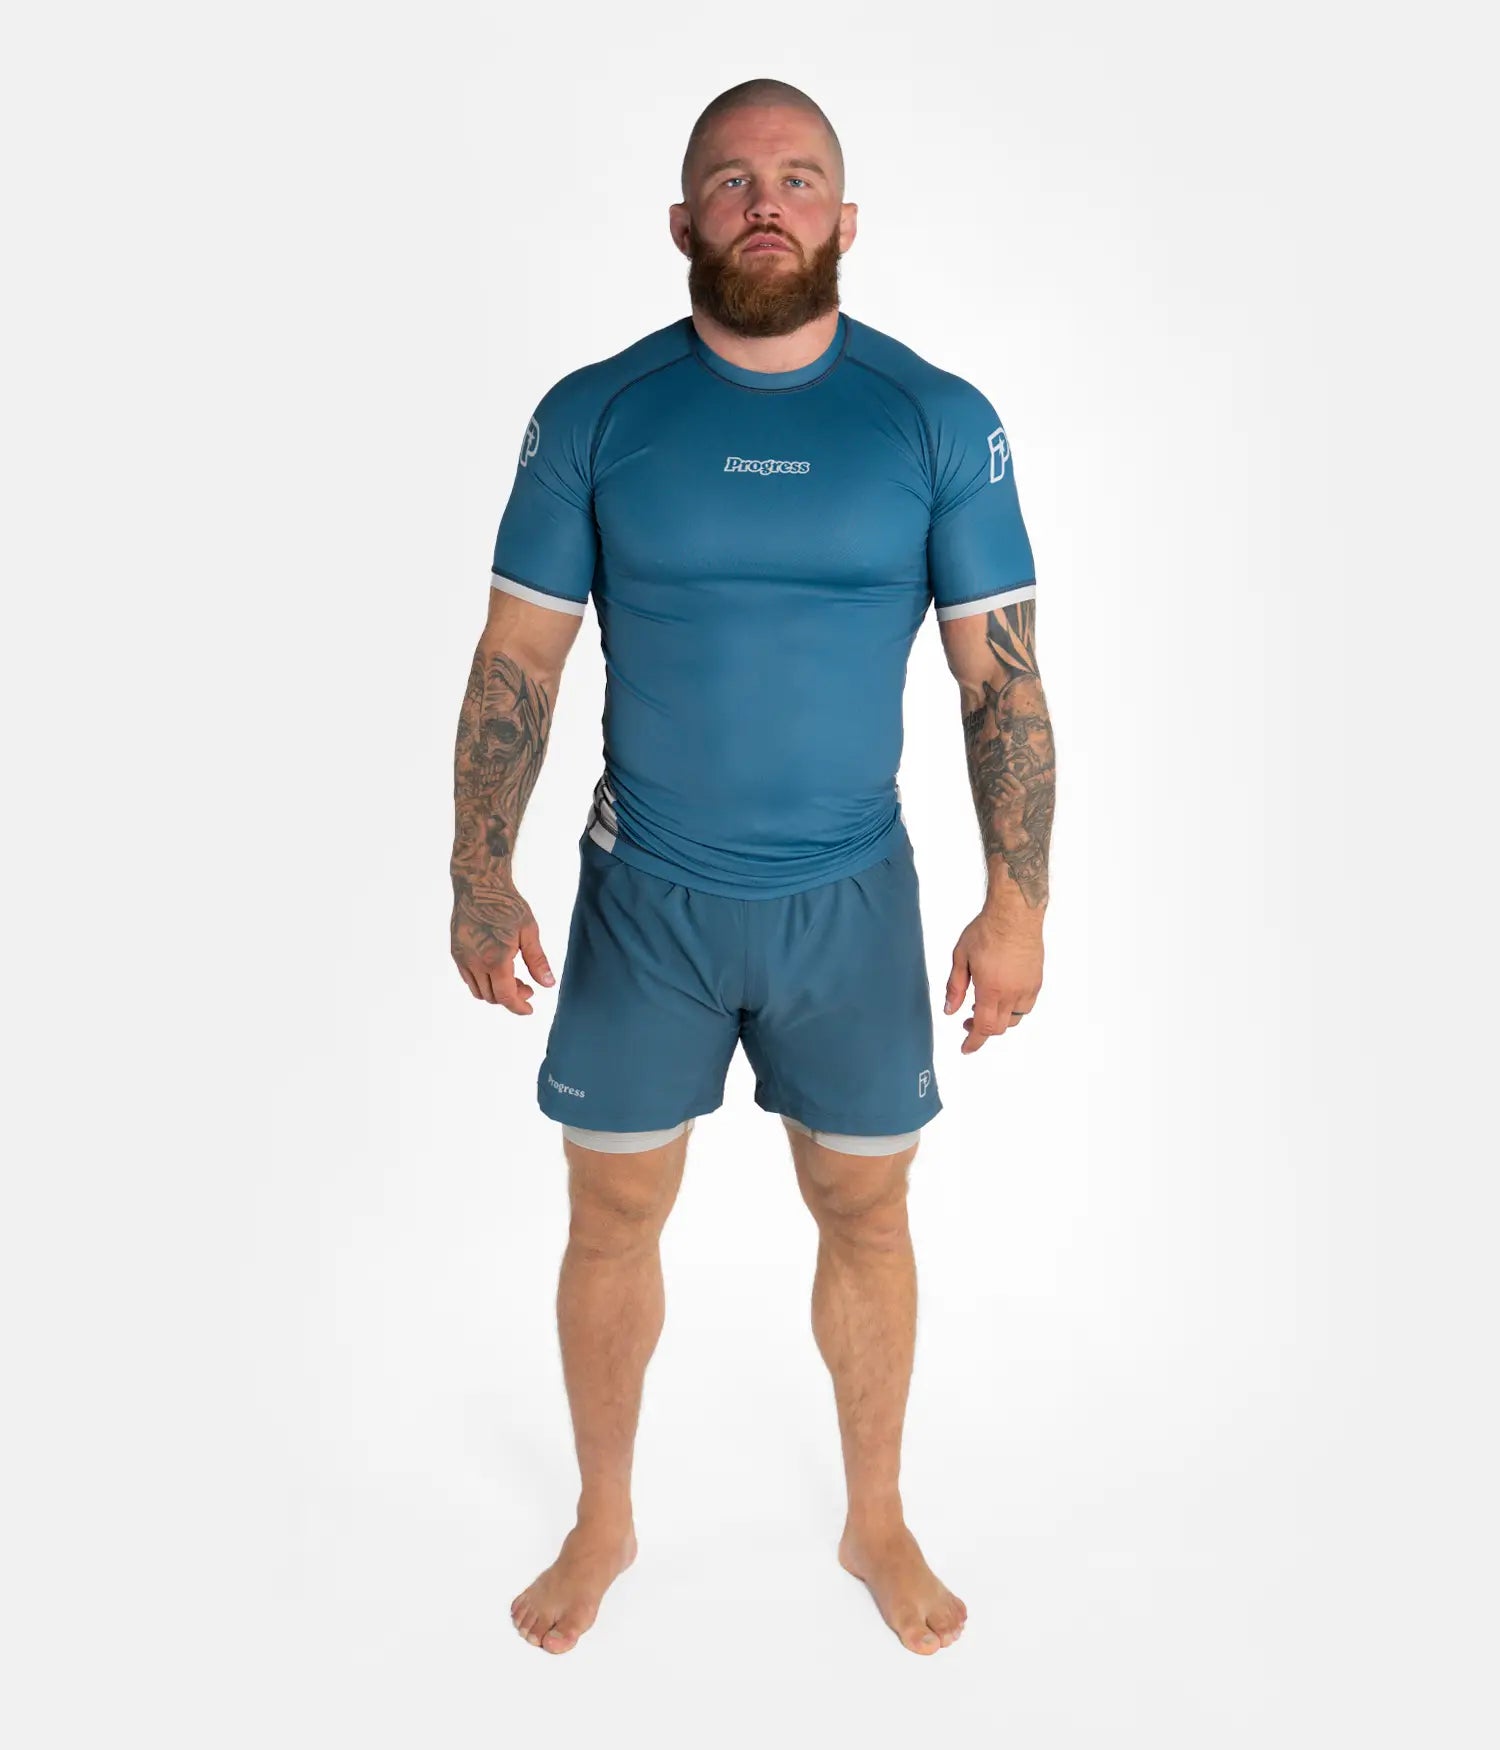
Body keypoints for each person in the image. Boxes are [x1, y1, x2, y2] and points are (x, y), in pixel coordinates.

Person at [450, 78, 1056, 1657]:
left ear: (847, 219)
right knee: (610, 1211)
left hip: (849, 903)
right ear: (682, 222)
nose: (763, 199)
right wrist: (477, 868)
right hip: (644, 896)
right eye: (730, 179)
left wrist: (1018, 901)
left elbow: (1001, 683)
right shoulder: (597, 414)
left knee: (866, 1205)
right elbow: (518, 656)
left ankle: (875, 1516)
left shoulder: (935, 417)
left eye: (796, 176)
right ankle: (603, 1516)